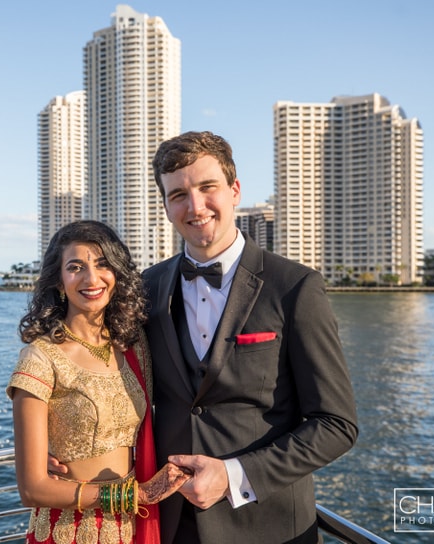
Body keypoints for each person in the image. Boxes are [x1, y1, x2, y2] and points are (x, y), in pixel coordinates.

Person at [145, 131, 359, 543]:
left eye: (208, 188)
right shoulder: (148, 288)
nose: (196, 206)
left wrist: (232, 477)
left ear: (235, 190)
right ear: (166, 206)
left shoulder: (296, 287)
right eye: (178, 195)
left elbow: (337, 424)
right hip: (170, 525)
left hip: (269, 527)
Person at [8, 220, 190, 544]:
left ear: (117, 273)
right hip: (66, 531)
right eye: (75, 267)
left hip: (128, 529)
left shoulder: (134, 349)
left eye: (103, 264)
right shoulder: (41, 358)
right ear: (60, 281)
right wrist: (136, 496)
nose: (92, 278)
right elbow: (32, 488)